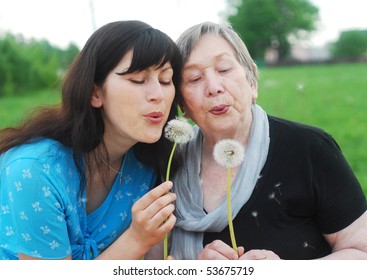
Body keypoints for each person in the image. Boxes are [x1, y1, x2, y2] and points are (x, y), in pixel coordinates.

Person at [170, 21, 367, 260]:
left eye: (223, 69)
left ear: (252, 81)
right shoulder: (169, 167)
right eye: (194, 78)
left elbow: (361, 251)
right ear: (182, 105)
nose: (213, 87)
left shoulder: (310, 149)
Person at [0, 20, 182, 260]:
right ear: (94, 93)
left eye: (166, 80)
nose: (158, 95)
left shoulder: (148, 168)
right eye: (138, 79)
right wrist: (136, 240)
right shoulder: (34, 171)